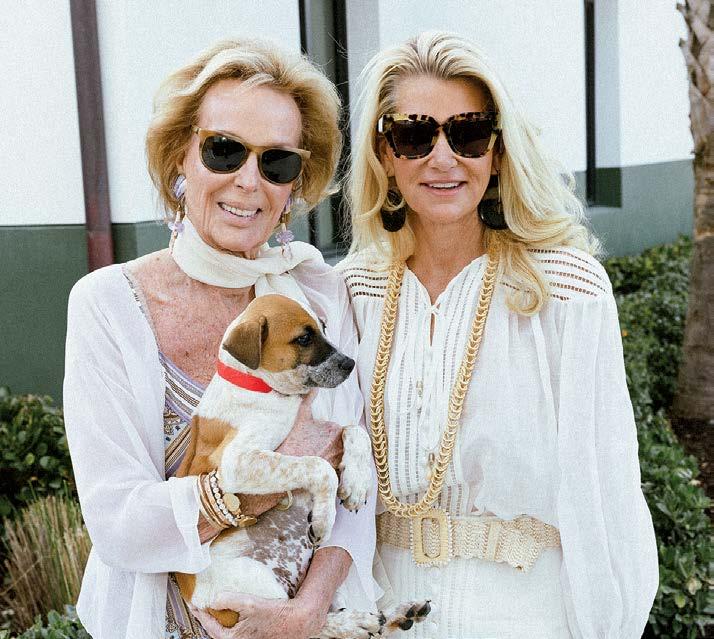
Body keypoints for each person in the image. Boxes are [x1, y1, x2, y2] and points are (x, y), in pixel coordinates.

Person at [339, 31, 658, 638]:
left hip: (526, 613)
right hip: (379, 612)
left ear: (498, 150)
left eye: (468, 133)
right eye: (414, 135)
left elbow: (604, 495)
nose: (443, 158)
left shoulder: (566, 290)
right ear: (384, 153)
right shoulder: (351, 292)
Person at [63, 38, 378, 639]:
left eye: (277, 162)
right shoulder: (110, 306)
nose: (248, 181)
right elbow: (118, 522)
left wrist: (305, 613)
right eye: (224, 150)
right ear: (179, 158)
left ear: (294, 186)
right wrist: (263, 480)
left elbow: (358, 498)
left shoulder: (319, 296)